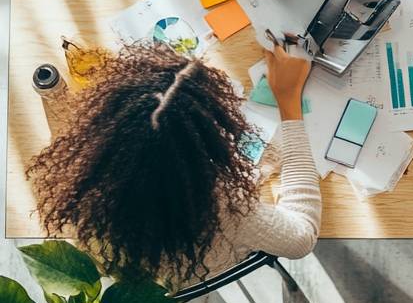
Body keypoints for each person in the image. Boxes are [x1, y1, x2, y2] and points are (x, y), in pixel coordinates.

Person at [27, 40, 321, 288]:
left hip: (153, 278)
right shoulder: (226, 209)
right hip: (199, 263)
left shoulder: (69, 183)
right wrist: (288, 101)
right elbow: (302, 237)